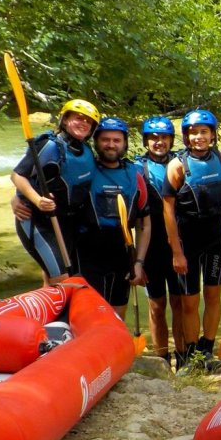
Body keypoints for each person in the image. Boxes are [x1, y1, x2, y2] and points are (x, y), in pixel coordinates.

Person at [161, 109, 221, 369]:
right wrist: (176, 251)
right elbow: (168, 209)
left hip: (216, 239)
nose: (198, 137)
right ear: (186, 136)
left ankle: (207, 351)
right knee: (190, 302)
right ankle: (190, 355)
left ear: (212, 134)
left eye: (203, 132)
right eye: (192, 132)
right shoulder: (178, 165)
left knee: (213, 296)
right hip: (188, 241)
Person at [10, 99, 99, 284]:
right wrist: (36, 200)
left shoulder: (86, 150)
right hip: (38, 221)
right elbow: (17, 176)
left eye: (88, 121)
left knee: (52, 276)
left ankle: (48, 312)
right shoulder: (50, 146)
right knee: (62, 279)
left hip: (66, 222)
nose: (83, 123)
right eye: (78, 118)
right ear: (65, 120)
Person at [74, 117, 150, 317]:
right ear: (96, 142)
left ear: (124, 143)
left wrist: (139, 262)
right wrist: (22, 199)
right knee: (90, 315)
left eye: (116, 140)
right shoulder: (83, 170)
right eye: (105, 139)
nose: (110, 144)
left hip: (121, 252)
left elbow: (144, 225)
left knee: (117, 314)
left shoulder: (136, 175)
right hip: (87, 253)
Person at [134, 116, 185, 368]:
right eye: (154, 138)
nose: (159, 142)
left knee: (179, 303)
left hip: (176, 244)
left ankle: (183, 357)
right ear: (146, 141)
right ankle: (162, 359)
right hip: (151, 247)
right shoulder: (135, 168)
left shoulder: (181, 163)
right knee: (156, 305)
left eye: (164, 137)